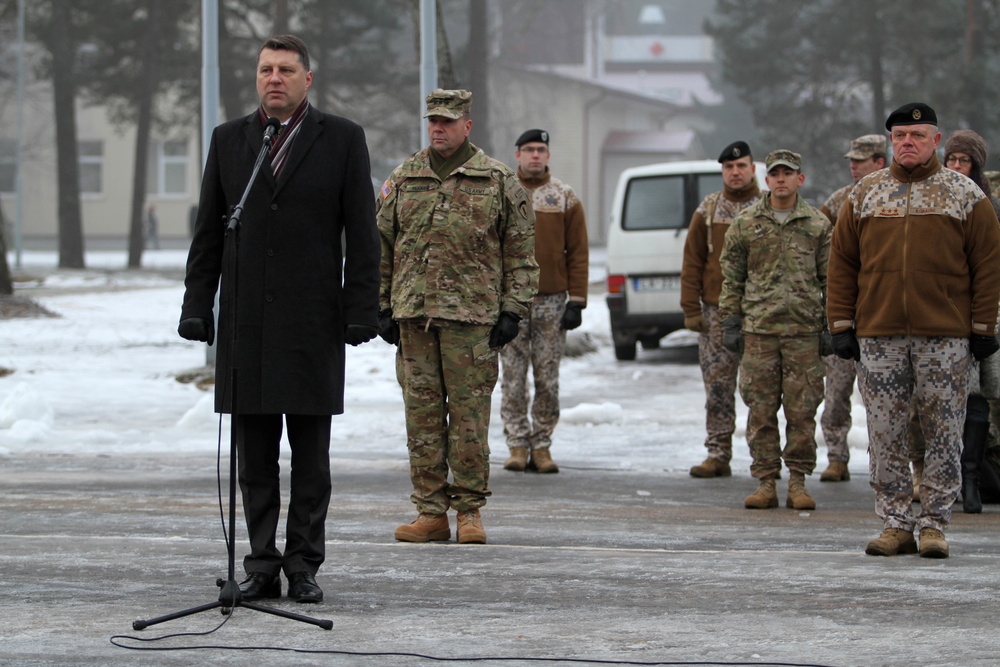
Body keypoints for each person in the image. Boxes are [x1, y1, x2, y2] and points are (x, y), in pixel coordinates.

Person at [178, 35, 381, 602]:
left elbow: (362, 235)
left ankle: (303, 566)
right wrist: (197, 307)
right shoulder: (229, 141)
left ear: (307, 79)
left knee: (311, 461)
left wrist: (362, 307)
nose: (274, 79)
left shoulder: (342, 139)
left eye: (286, 70)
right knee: (256, 459)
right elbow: (208, 237)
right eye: (266, 69)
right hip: (248, 328)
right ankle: (262, 564)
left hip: (314, 325)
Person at [827, 103, 1000, 558]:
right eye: (900, 135)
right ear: (890, 141)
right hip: (879, 335)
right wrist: (841, 325)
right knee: (885, 433)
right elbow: (842, 263)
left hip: (944, 337)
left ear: (936, 141)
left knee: (944, 431)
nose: (908, 142)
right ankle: (895, 523)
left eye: (917, 135)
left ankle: (935, 525)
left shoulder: (964, 195)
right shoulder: (865, 194)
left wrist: (983, 327)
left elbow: (987, 267)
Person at [376, 89, 538, 545]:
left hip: (472, 321)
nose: (438, 129)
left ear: (468, 125)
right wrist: (380, 305)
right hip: (414, 318)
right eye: (433, 121)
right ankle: (430, 512)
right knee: (422, 418)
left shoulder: (499, 182)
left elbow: (522, 253)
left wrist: (513, 309)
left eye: (448, 121)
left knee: (468, 419)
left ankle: (469, 511)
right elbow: (380, 247)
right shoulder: (405, 179)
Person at [718, 149, 832, 511]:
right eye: (776, 173)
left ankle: (798, 482)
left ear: (800, 179)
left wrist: (832, 325)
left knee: (802, 411)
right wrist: (730, 321)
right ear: (766, 180)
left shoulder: (817, 225)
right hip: (759, 332)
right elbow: (732, 278)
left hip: (804, 331)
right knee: (761, 410)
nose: (781, 179)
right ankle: (766, 481)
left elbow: (832, 279)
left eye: (789, 173)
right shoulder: (746, 223)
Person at [908, 129, 1000, 514]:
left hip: (985, 310)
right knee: (929, 396)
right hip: (941, 311)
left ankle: (974, 478)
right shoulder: (933, 199)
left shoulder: (990, 207)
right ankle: (928, 473)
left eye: (965, 161)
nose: (957, 167)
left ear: (977, 167)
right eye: (953, 159)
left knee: (981, 394)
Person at [499, 128, 589, 475]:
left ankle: (542, 445)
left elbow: (579, 252)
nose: (535, 155)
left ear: (548, 156)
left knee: (548, 378)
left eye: (541, 150)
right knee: (513, 377)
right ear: (518, 155)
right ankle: (517, 444)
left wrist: (577, 300)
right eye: (528, 150)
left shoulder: (564, 197)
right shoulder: (505, 192)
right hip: (512, 301)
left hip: (552, 301)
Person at [681, 141, 764, 479]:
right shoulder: (709, 209)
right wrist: (691, 308)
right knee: (717, 387)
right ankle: (717, 452)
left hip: (760, 313)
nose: (735, 172)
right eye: (729, 167)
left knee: (760, 390)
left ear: (752, 169)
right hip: (716, 313)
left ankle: (763, 459)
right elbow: (692, 261)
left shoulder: (768, 207)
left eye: (741, 166)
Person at [816, 135, 887, 483]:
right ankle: (836, 456)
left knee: (885, 395)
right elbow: (814, 236)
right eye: (851, 160)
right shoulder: (840, 200)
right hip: (844, 310)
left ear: (880, 161)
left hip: (880, 311)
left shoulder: (894, 196)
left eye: (861, 159)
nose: (853, 165)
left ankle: (889, 464)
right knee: (836, 391)